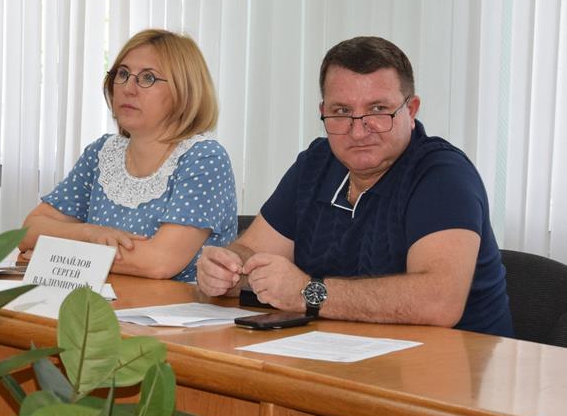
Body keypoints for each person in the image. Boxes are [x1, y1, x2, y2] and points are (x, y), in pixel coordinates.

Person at [197, 36, 513, 336]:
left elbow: (438, 302)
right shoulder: (316, 163)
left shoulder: (443, 175)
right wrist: (226, 268)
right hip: (340, 354)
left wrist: (307, 292)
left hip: (452, 366)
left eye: (378, 110)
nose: (359, 131)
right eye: (342, 112)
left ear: (411, 110)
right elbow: (252, 251)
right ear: (323, 112)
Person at [20, 29, 237, 282]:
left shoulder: (204, 158)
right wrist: (90, 233)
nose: (128, 88)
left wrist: (55, 253)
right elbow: (29, 231)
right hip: (105, 299)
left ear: (185, 92)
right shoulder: (101, 153)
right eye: (122, 74)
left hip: (174, 305)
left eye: (148, 78)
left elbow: (159, 262)